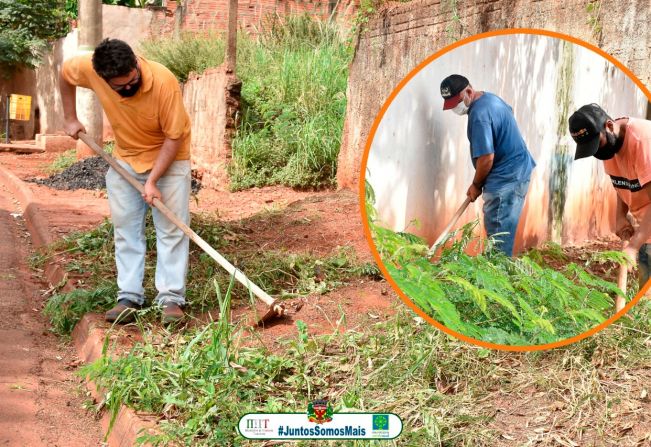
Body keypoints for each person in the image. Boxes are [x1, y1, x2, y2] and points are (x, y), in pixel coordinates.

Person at [59, 38, 192, 324]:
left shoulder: (164, 82)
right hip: (124, 160)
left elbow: (174, 136)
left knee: (172, 230)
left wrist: (153, 180)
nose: (129, 88)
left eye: (133, 81)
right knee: (126, 230)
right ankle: (129, 296)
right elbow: (64, 73)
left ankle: (171, 298)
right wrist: (70, 117)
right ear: (104, 79)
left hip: (169, 158)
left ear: (136, 64)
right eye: (121, 87)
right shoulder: (90, 68)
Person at [440, 74, 536, 256]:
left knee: (498, 236)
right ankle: (500, 274)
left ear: (468, 91)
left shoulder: (479, 115)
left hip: (506, 180)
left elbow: (486, 158)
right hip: (518, 171)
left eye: (456, 103)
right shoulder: (491, 99)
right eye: (451, 105)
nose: (455, 108)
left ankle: (498, 279)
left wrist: (476, 185)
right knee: (502, 232)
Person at [569, 103, 651, 292]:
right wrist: (620, 216)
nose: (597, 152)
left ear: (609, 126)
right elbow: (621, 181)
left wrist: (633, 246)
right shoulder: (610, 148)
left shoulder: (643, 142)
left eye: (597, 145)